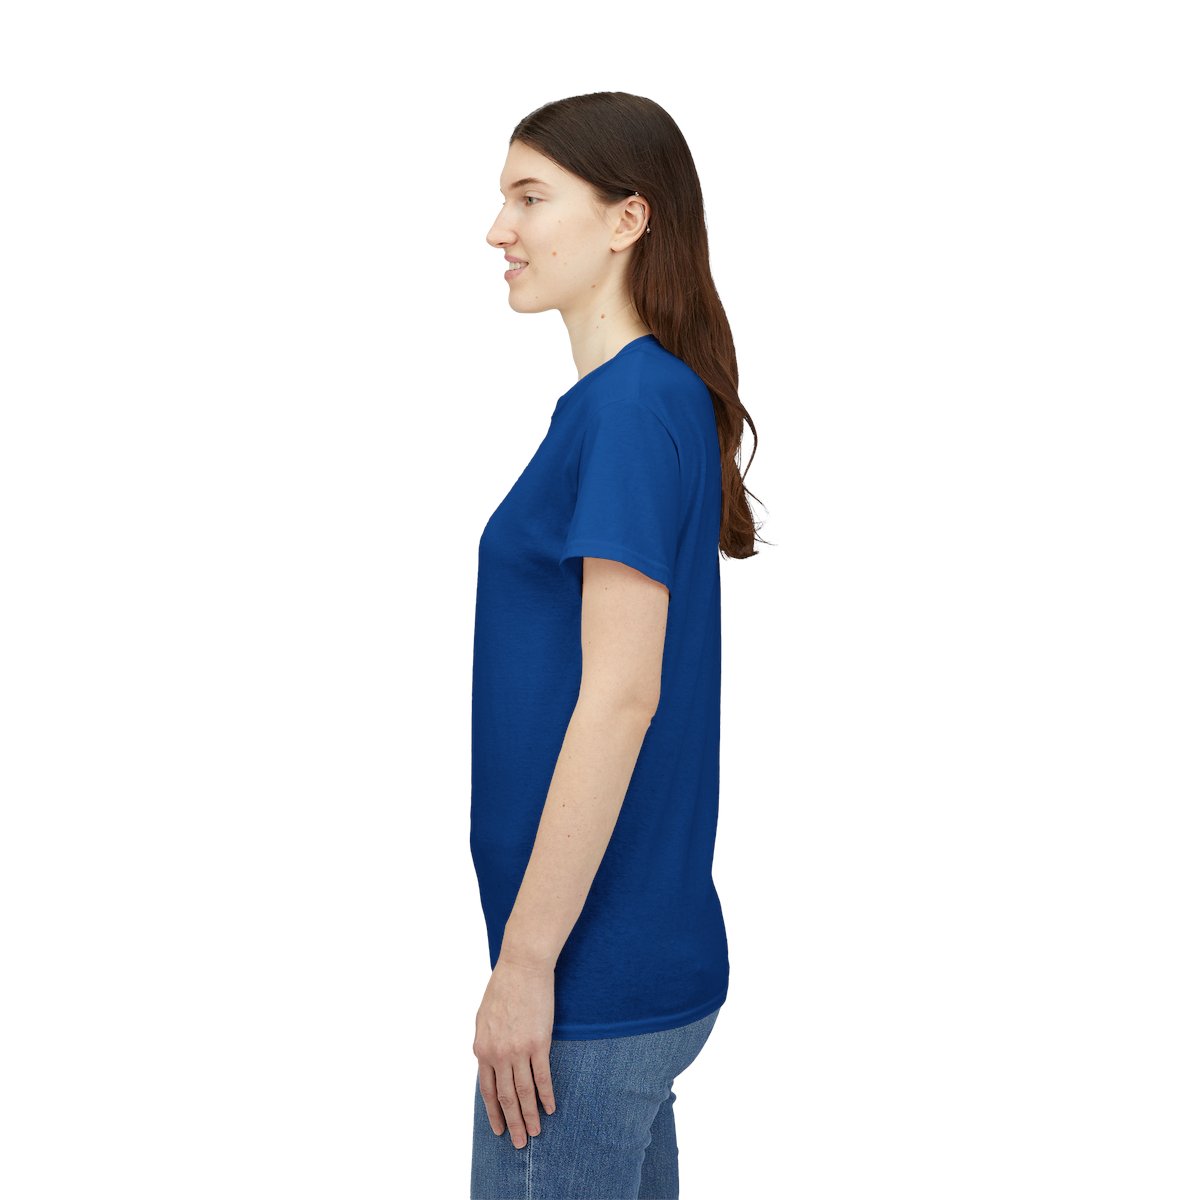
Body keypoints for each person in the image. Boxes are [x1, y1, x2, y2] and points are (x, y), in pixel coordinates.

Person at [469, 91, 765, 1199]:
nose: (498, 229)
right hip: (622, 968)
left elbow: (621, 697)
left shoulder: (633, 408)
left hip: (587, 985)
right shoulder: (638, 401)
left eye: (530, 198)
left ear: (627, 220)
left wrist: (524, 967)